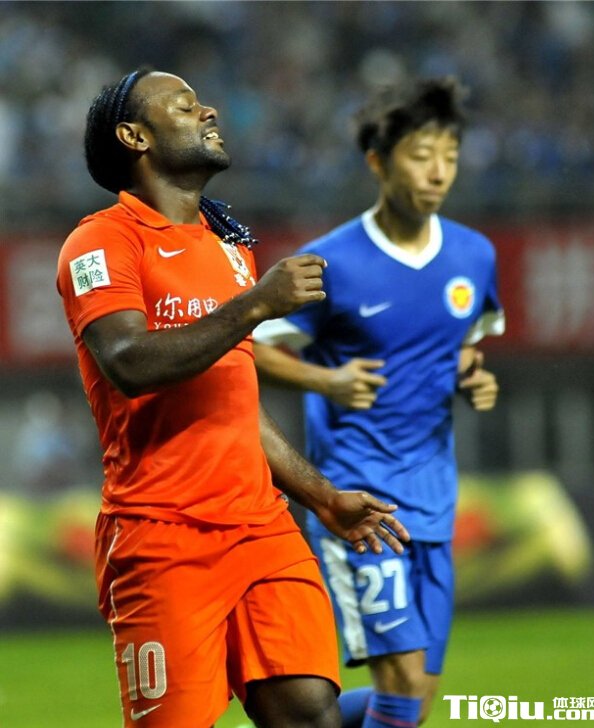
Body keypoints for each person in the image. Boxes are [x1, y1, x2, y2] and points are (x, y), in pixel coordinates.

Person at [56, 68, 411, 728]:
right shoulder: (101, 241)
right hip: (161, 537)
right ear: (135, 136)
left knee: (308, 711)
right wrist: (253, 306)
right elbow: (127, 362)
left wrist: (322, 497)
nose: (209, 111)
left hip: (262, 528)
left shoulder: (230, 249)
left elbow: (236, 404)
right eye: (185, 106)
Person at [253, 77, 505, 727]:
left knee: (414, 699)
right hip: (360, 499)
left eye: (449, 156)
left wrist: (473, 377)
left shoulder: (474, 256)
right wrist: (327, 381)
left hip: (434, 499)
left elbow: (462, 347)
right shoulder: (331, 262)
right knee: (402, 679)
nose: (438, 172)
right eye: (421, 156)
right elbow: (252, 350)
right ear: (378, 161)